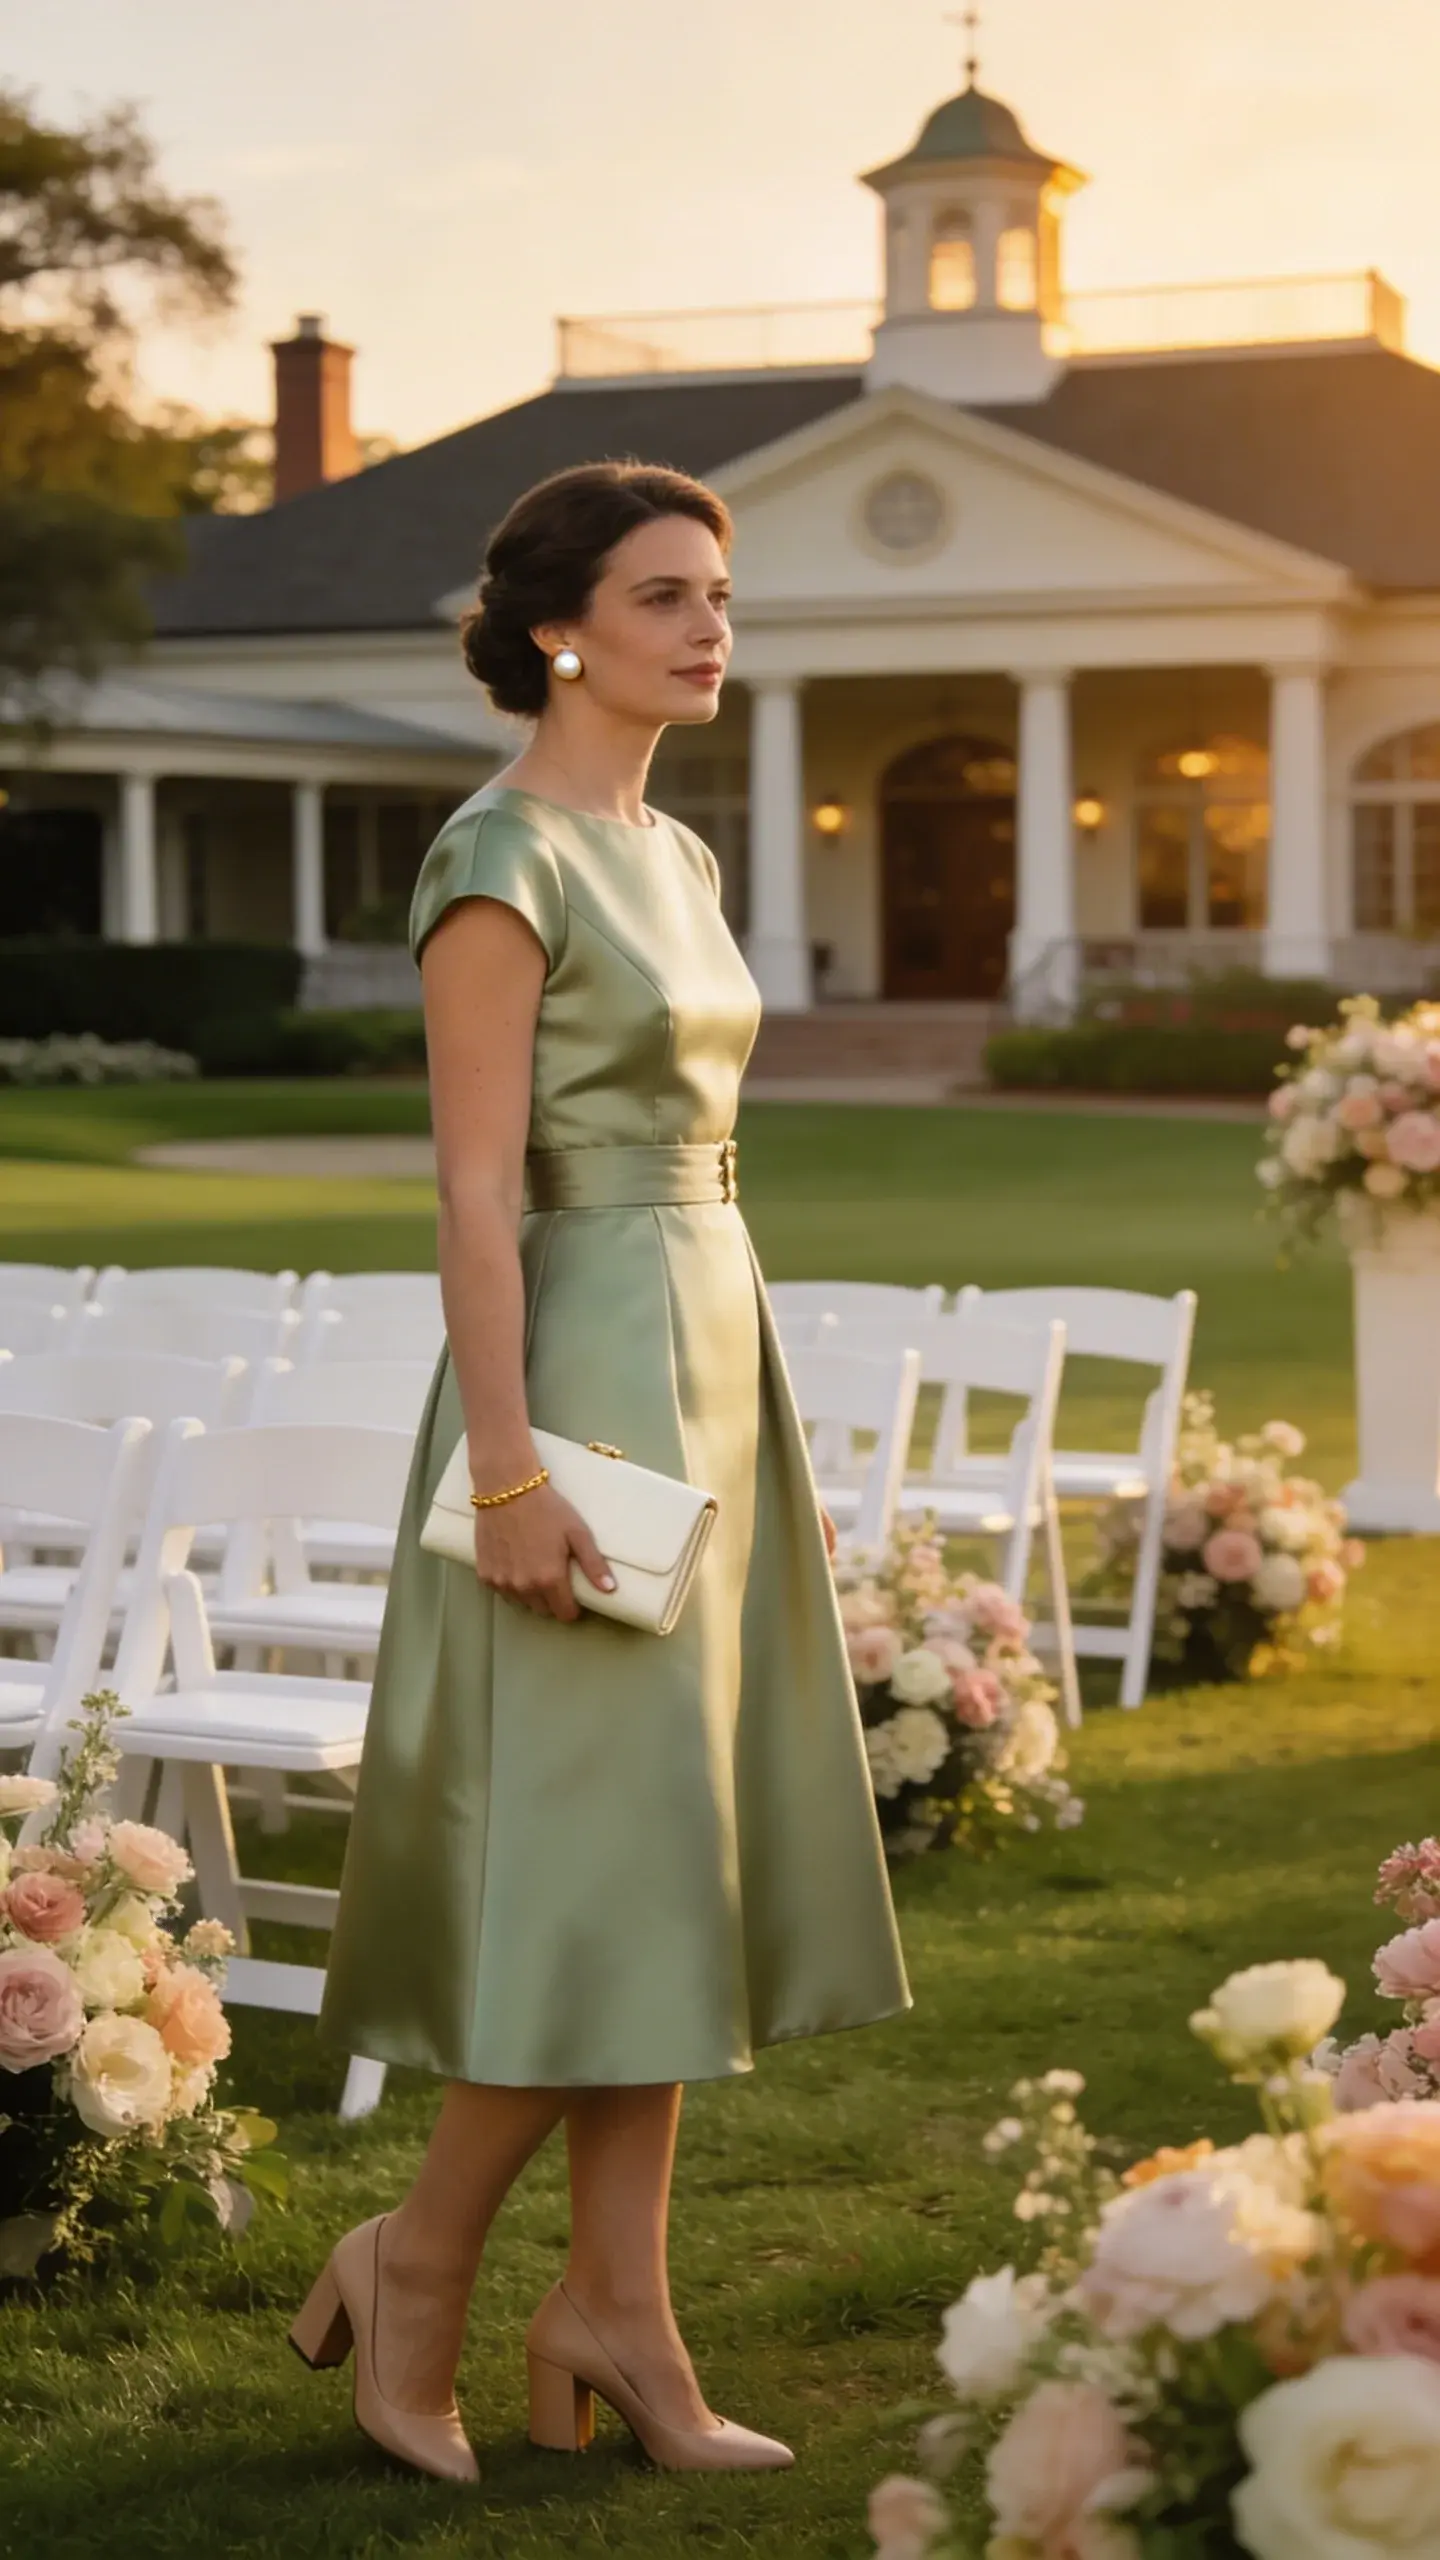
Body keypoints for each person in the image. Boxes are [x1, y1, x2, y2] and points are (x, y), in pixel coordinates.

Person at [295, 460, 911, 2484]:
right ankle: (421, 2255)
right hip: (564, 1367)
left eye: (721, 594)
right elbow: (476, 1197)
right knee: (588, 1863)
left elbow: (702, 1164)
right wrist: (505, 1472)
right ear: (563, 627)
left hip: (705, 1339)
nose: (711, 627)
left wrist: (746, 1401)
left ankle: (620, 2314)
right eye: (667, 596)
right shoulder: (501, 856)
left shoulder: (686, 854)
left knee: (669, 1868)